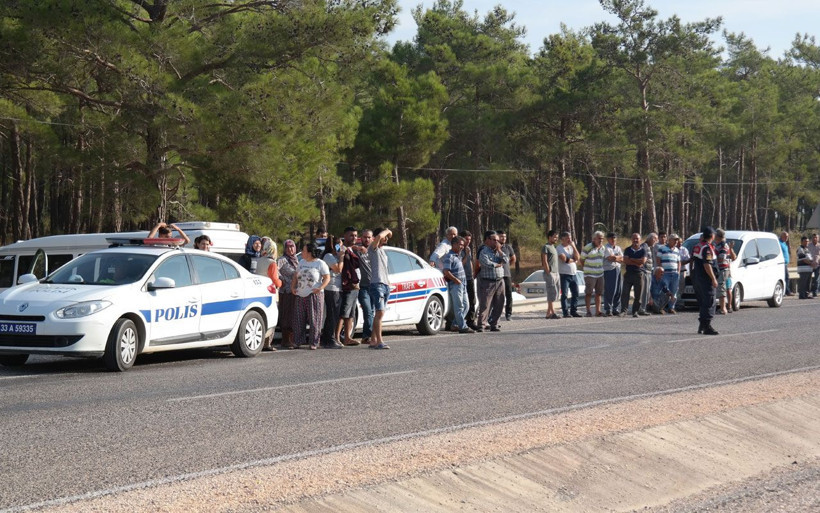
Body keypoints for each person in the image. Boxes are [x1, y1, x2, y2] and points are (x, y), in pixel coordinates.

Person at [292, 242, 331, 349]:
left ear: (309, 252)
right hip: (300, 294)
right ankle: (297, 341)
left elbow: (327, 277)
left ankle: (314, 342)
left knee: (315, 319)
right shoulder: (301, 262)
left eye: (304, 251)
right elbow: (296, 276)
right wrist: (293, 287)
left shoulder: (320, 263)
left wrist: (320, 287)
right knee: (299, 319)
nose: (302, 253)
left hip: (314, 294)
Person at [476, 230, 508, 332]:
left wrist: (499, 251)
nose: (497, 242)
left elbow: (506, 260)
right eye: (494, 240)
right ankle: (481, 325)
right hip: (487, 281)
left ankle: (494, 323)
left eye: (498, 240)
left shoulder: (498, 251)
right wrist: (497, 264)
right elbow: (486, 263)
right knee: (485, 304)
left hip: (499, 280)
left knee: (500, 303)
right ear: (487, 240)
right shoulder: (483, 251)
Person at [441, 237, 474, 333]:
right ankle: (462, 327)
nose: (462, 247)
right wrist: (455, 280)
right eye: (460, 244)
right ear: (454, 244)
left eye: (463, 245)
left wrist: (467, 255)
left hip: (463, 283)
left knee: (466, 305)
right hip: (456, 285)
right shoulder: (449, 256)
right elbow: (446, 271)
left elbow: (461, 264)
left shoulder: (457, 256)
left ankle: (455, 324)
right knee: (459, 306)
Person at [691, 227, 719, 335]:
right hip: (706, 279)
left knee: (703, 303)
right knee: (709, 302)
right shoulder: (707, 248)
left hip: (698, 278)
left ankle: (702, 326)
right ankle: (707, 326)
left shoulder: (698, 246)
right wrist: (713, 278)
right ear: (712, 236)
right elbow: (707, 265)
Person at [368, 228, 393, 349]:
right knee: (380, 312)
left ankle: (373, 340)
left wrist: (388, 283)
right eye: (385, 236)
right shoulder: (373, 249)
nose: (386, 238)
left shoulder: (383, 251)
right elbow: (377, 238)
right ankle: (380, 341)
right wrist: (387, 230)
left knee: (379, 314)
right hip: (377, 285)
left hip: (385, 284)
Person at [320, 235, 344, 349]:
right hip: (331, 288)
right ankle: (329, 339)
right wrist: (341, 258)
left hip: (337, 288)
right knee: (332, 315)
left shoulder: (333, 256)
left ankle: (327, 338)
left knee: (334, 314)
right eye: (339, 245)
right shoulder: (329, 256)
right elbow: (338, 269)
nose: (341, 247)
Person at [340, 227, 362, 346]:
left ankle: (347, 337)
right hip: (346, 285)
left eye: (355, 235)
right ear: (345, 235)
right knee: (344, 313)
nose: (353, 238)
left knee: (351, 313)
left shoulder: (353, 249)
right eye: (351, 235)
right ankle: (337, 338)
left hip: (355, 285)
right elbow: (336, 255)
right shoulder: (341, 248)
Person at [277, 240, 300, 349]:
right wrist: (282, 280)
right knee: (286, 315)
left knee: (294, 316)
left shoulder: (297, 260)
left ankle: (292, 339)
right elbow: (274, 271)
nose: (290, 249)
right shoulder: (282, 260)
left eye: (292, 247)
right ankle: (286, 340)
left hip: (296, 291)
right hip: (286, 292)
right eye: (288, 247)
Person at [580, 231, 606, 317]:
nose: (601, 240)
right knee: (589, 292)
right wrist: (587, 269)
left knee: (599, 293)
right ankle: (588, 311)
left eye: (602, 238)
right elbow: (582, 260)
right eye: (599, 238)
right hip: (590, 274)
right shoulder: (588, 247)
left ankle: (598, 311)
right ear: (594, 239)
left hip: (600, 273)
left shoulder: (603, 248)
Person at [622, 233, 648, 317]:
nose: (635, 240)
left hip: (639, 274)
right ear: (631, 239)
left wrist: (632, 259)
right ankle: (624, 311)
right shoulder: (627, 250)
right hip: (628, 274)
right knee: (625, 293)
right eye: (634, 238)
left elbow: (643, 262)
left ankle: (635, 311)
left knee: (638, 294)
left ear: (640, 240)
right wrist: (637, 261)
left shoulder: (643, 250)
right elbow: (626, 261)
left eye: (637, 239)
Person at [356, 229, 374, 345]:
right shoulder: (358, 250)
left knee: (372, 311)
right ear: (361, 238)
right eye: (364, 237)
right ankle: (367, 336)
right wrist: (358, 248)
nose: (366, 239)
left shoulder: (375, 250)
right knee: (368, 311)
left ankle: (369, 336)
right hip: (363, 287)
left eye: (368, 237)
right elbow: (347, 247)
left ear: (372, 238)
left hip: (374, 286)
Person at [654, 233, 681, 314]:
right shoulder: (662, 248)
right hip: (665, 274)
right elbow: (658, 259)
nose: (676, 241)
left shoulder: (677, 250)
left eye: (677, 240)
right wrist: (660, 271)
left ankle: (671, 307)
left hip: (675, 274)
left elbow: (679, 262)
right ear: (670, 240)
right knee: (663, 291)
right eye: (675, 240)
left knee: (674, 291)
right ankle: (660, 307)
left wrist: (678, 271)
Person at [557, 231, 581, 318]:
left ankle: (574, 311)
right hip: (564, 274)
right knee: (565, 294)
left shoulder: (571, 247)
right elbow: (565, 260)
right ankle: (565, 312)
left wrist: (574, 247)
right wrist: (573, 259)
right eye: (568, 238)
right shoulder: (559, 248)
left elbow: (578, 257)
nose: (569, 240)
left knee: (576, 293)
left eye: (570, 238)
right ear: (562, 239)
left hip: (573, 274)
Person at [459, 230, 478, 329]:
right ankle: (460, 321)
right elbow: (460, 264)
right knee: (463, 302)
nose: (468, 241)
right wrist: (466, 254)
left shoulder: (468, 249)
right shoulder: (459, 250)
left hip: (470, 277)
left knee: (472, 300)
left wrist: (473, 272)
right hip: (462, 278)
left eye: (470, 239)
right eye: (466, 239)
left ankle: (471, 320)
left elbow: (469, 262)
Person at [714, 229, 736, 314]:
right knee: (727, 288)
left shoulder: (722, 246)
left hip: (722, 270)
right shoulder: (725, 245)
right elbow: (732, 257)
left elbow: (721, 257)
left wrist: (713, 259)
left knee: (722, 288)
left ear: (718, 236)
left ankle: (723, 308)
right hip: (726, 269)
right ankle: (728, 306)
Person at [497, 230, 516, 321]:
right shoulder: (494, 247)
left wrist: (507, 266)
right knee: (498, 295)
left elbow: (513, 259)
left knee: (509, 295)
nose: (503, 238)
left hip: (506, 274)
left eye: (504, 237)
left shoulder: (508, 247)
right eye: (501, 236)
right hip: (497, 275)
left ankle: (508, 314)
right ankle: (497, 314)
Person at [602, 232, 623, 316]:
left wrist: (615, 258)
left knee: (618, 290)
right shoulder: (606, 248)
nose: (613, 240)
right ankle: (608, 308)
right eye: (611, 238)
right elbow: (610, 258)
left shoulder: (618, 248)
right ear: (608, 239)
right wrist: (617, 258)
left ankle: (615, 308)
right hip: (609, 270)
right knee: (610, 290)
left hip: (618, 269)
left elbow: (622, 259)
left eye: (614, 238)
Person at [541, 230, 561, 319]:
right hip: (550, 273)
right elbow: (544, 260)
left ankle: (548, 313)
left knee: (555, 292)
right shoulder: (546, 247)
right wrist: (548, 271)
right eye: (554, 237)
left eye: (557, 237)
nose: (556, 239)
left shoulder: (554, 247)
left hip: (556, 272)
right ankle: (553, 312)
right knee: (551, 292)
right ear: (549, 237)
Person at [640, 233, 658, 314]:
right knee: (644, 291)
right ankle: (642, 309)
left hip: (648, 271)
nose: (656, 241)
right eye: (655, 239)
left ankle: (643, 308)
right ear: (650, 238)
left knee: (647, 291)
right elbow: (643, 259)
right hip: (644, 271)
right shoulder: (644, 246)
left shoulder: (649, 247)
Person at [780, 231, 793, 296]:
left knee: (786, 277)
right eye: (785, 236)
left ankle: (786, 291)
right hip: (781, 264)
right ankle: (786, 291)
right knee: (785, 277)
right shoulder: (779, 243)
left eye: (787, 236)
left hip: (785, 263)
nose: (787, 238)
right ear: (782, 236)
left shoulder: (784, 243)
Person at [808, 233, 820, 298]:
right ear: (812, 238)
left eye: (816, 237)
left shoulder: (819, 246)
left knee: (816, 280)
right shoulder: (808, 245)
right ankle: (808, 292)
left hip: (817, 265)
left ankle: (815, 293)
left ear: (818, 238)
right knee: (808, 279)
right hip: (809, 265)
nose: (815, 238)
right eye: (813, 237)